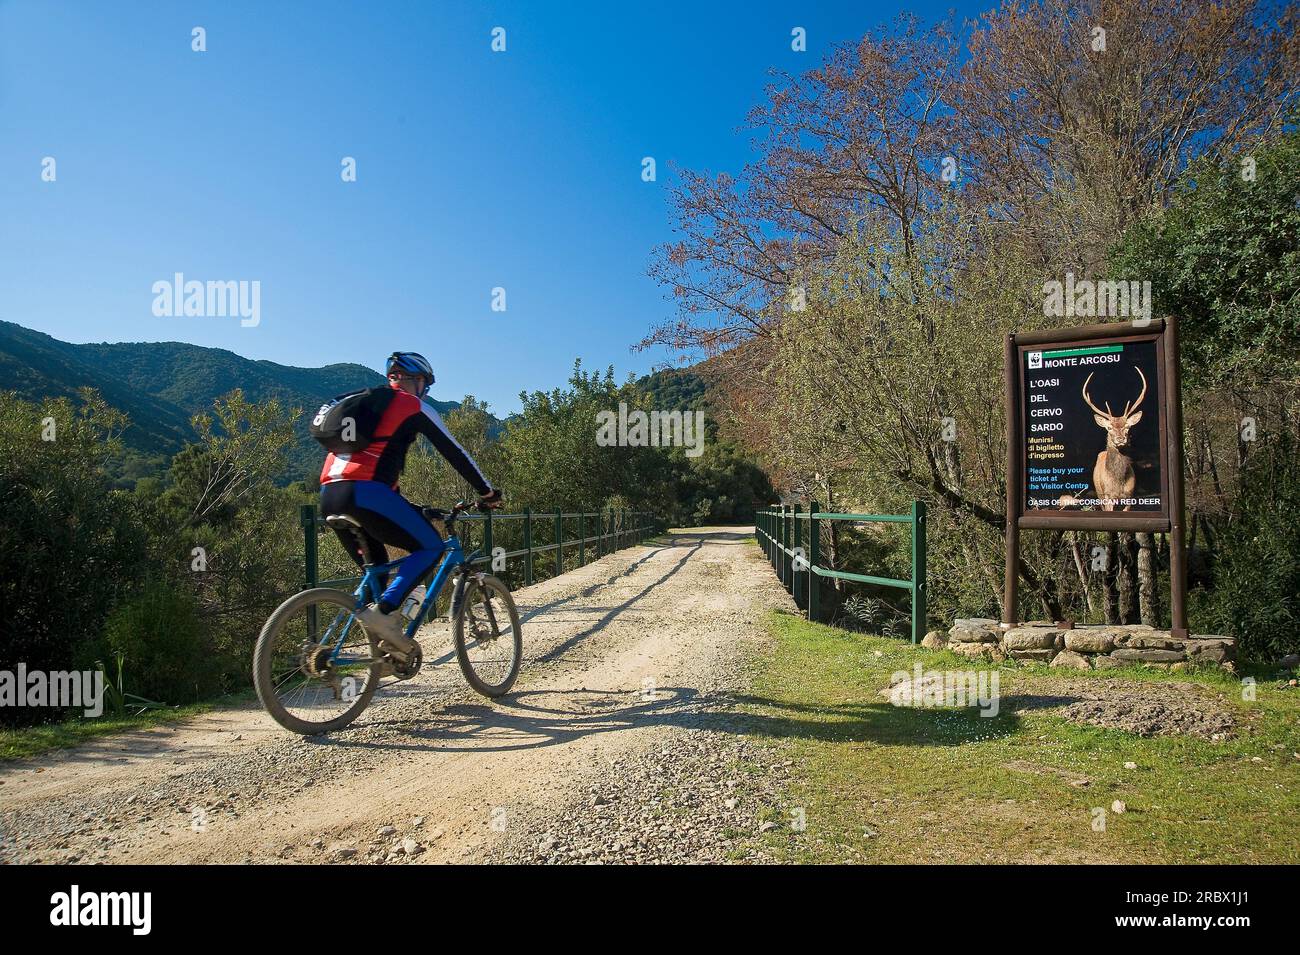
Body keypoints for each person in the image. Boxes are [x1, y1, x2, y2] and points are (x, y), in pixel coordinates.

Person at [319, 351, 501, 657]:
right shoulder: (411, 405)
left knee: (377, 573)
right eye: (425, 386)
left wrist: (418, 510)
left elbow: (381, 482)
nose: (425, 392)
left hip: (330, 496)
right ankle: (385, 616)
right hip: (367, 494)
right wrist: (487, 492)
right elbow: (455, 451)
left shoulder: (369, 410)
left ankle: (382, 651)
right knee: (430, 548)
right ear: (416, 381)